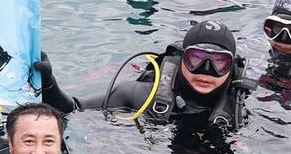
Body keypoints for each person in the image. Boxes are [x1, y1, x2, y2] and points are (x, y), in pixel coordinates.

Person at [38, 20, 250, 129]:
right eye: (196, 59)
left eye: (219, 63)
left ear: (231, 68)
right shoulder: (137, 95)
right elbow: (71, 110)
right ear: (182, 57)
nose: (206, 71)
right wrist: (48, 83)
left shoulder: (240, 111)